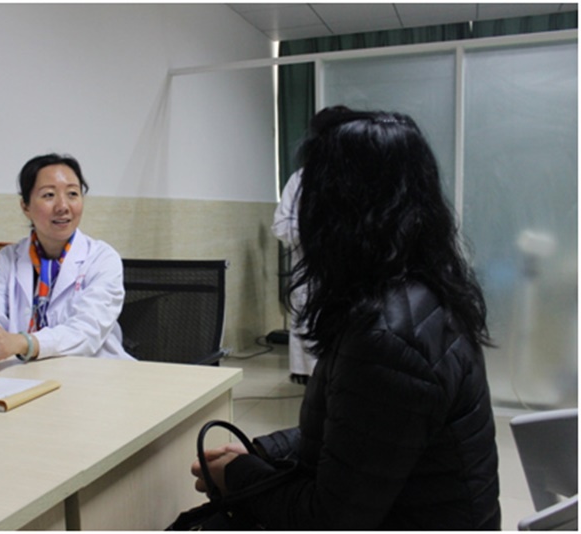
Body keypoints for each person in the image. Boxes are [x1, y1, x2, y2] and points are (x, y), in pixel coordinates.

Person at [190, 107, 501, 529]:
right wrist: (264, 453)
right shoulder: (418, 295)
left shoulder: (390, 340)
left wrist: (237, 476)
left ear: (340, 211)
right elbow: (359, 432)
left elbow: (328, 519)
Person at [0, 153, 134, 366]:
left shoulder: (102, 259)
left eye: (72, 194)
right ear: (25, 206)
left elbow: (86, 332)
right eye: (49, 195)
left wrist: (23, 343)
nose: (63, 206)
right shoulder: (7, 259)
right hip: (25, 373)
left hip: (92, 372)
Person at [272, 168, 317, 383]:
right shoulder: (301, 178)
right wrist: (315, 231)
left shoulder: (362, 173)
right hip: (309, 272)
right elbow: (281, 226)